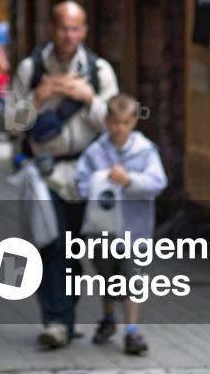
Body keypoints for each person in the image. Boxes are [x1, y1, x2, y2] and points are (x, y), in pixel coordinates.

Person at [11, 0, 119, 348]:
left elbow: (118, 127)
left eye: (75, 28)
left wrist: (89, 99)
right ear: (51, 29)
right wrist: (39, 98)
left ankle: (87, 316)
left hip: (90, 172)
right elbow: (10, 124)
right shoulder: (31, 69)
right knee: (52, 245)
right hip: (48, 172)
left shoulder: (100, 71)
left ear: (84, 31)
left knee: (87, 246)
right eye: (62, 28)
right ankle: (58, 322)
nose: (68, 35)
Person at [75, 93, 168, 356]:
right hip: (101, 230)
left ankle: (132, 331)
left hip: (132, 230)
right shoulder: (95, 151)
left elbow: (157, 183)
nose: (119, 129)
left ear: (134, 122)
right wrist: (100, 180)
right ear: (106, 121)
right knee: (106, 275)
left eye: (125, 123)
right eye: (115, 123)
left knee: (131, 277)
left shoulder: (145, 151)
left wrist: (130, 181)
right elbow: (81, 183)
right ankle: (108, 318)